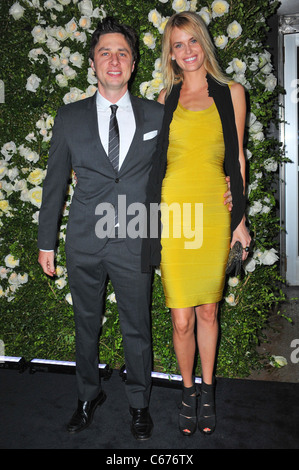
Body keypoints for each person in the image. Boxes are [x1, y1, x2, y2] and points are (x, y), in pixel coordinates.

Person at [37, 17, 165, 440]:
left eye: (123, 52)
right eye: (105, 52)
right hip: (85, 242)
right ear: (92, 63)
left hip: (134, 239)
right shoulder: (69, 117)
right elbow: (55, 182)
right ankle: (88, 395)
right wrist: (45, 243)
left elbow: (173, 176)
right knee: (86, 324)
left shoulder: (157, 115)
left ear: (133, 62)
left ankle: (139, 403)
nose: (114, 60)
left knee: (137, 326)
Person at [145, 11, 251, 436]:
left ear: (203, 43)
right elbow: (148, 163)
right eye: (177, 45)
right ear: (170, 54)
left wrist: (239, 218)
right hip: (173, 215)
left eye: (191, 41)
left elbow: (238, 158)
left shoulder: (231, 92)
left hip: (212, 212)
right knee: (181, 318)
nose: (186, 51)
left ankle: (207, 391)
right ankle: (186, 391)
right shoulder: (163, 101)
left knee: (208, 310)